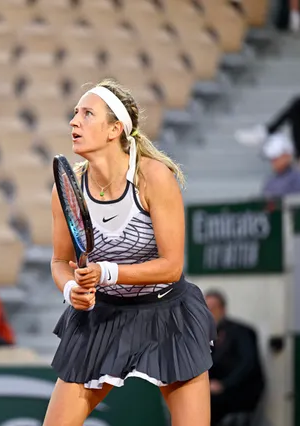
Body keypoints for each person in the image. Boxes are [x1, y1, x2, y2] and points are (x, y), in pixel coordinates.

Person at [44, 79, 216, 426]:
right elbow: (60, 261)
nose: (74, 122)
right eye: (75, 114)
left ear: (115, 129)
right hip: (103, 317)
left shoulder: (154, 177)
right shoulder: (69, 188)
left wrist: (106, 273)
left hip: (167, 314)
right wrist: (70, 289)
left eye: (87, 114)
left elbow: (171, 266)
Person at [204, 290, 265, 426]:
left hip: (240, 390)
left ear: (223, 309)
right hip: (214, 391)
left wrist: (224, 384)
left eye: (213, 308)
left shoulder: (241, 332)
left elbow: (248, 364)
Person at [261, 133, 300, 198]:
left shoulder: (297, 178)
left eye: (275, 158)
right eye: (271, 159)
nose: (273, 162)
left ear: (287, 155)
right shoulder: (270, 181)